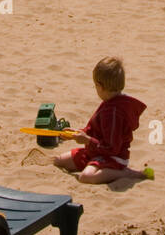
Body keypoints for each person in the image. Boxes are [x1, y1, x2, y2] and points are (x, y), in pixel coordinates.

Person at [52, 56, 147, 185]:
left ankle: (126, 173)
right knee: (59, 160)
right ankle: (95, 165)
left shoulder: (114, 112)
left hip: (113, 158)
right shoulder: (109, 102)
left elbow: (112, 148)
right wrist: (78, 133)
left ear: (100, 86)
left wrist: (87, 140)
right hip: (95, 151)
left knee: (86, 177)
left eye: (95, 86)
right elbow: (96, 129)